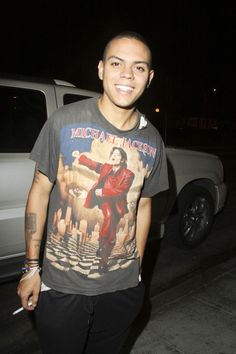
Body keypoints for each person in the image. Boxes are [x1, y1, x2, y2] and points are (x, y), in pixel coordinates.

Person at [17, 31, 169, 354]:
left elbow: (143, 207)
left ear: (150, 77)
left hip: (123, 290)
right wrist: (31, 267)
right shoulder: (63, 122)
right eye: (117, 63)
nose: (127, 74)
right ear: (101, 69)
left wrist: (137, 272)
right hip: (62, 290)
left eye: (139, 67)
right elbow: (40, 191)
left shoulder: (152, 141)